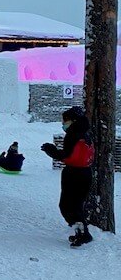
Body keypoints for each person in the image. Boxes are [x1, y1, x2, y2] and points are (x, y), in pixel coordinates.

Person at [41, 106, 95, 247]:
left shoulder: (73, 134)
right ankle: (83, 233)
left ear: (73, 120)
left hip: (74, 173)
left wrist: (51, 150)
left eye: (65, 120)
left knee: (67, 205)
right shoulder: (85, 133)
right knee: (76, 205)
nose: (63, 123)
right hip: (86, 173)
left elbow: (67, 156)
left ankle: (82, 233)